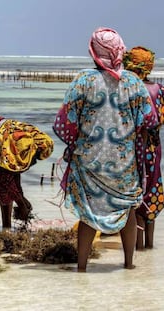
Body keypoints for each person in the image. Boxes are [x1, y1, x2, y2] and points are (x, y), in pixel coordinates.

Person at [53, 27, 159, 272]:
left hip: (89, 159)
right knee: (128, 207)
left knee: (88, 211)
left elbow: (65, 121)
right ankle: (129, 264)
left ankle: (82, 267)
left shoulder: (83, 80)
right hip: (125, 161)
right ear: (120, 50)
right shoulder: (133, 81)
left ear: (94, 53)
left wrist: (77, 142)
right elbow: (149, 120)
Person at [122, 46, 164, 250]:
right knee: (152, 187)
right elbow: (159, 120)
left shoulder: (126, 89)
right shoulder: (157, 90)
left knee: (135, 191)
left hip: (130, 147)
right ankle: (148, 246)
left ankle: (136, 246)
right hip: (153, 148)